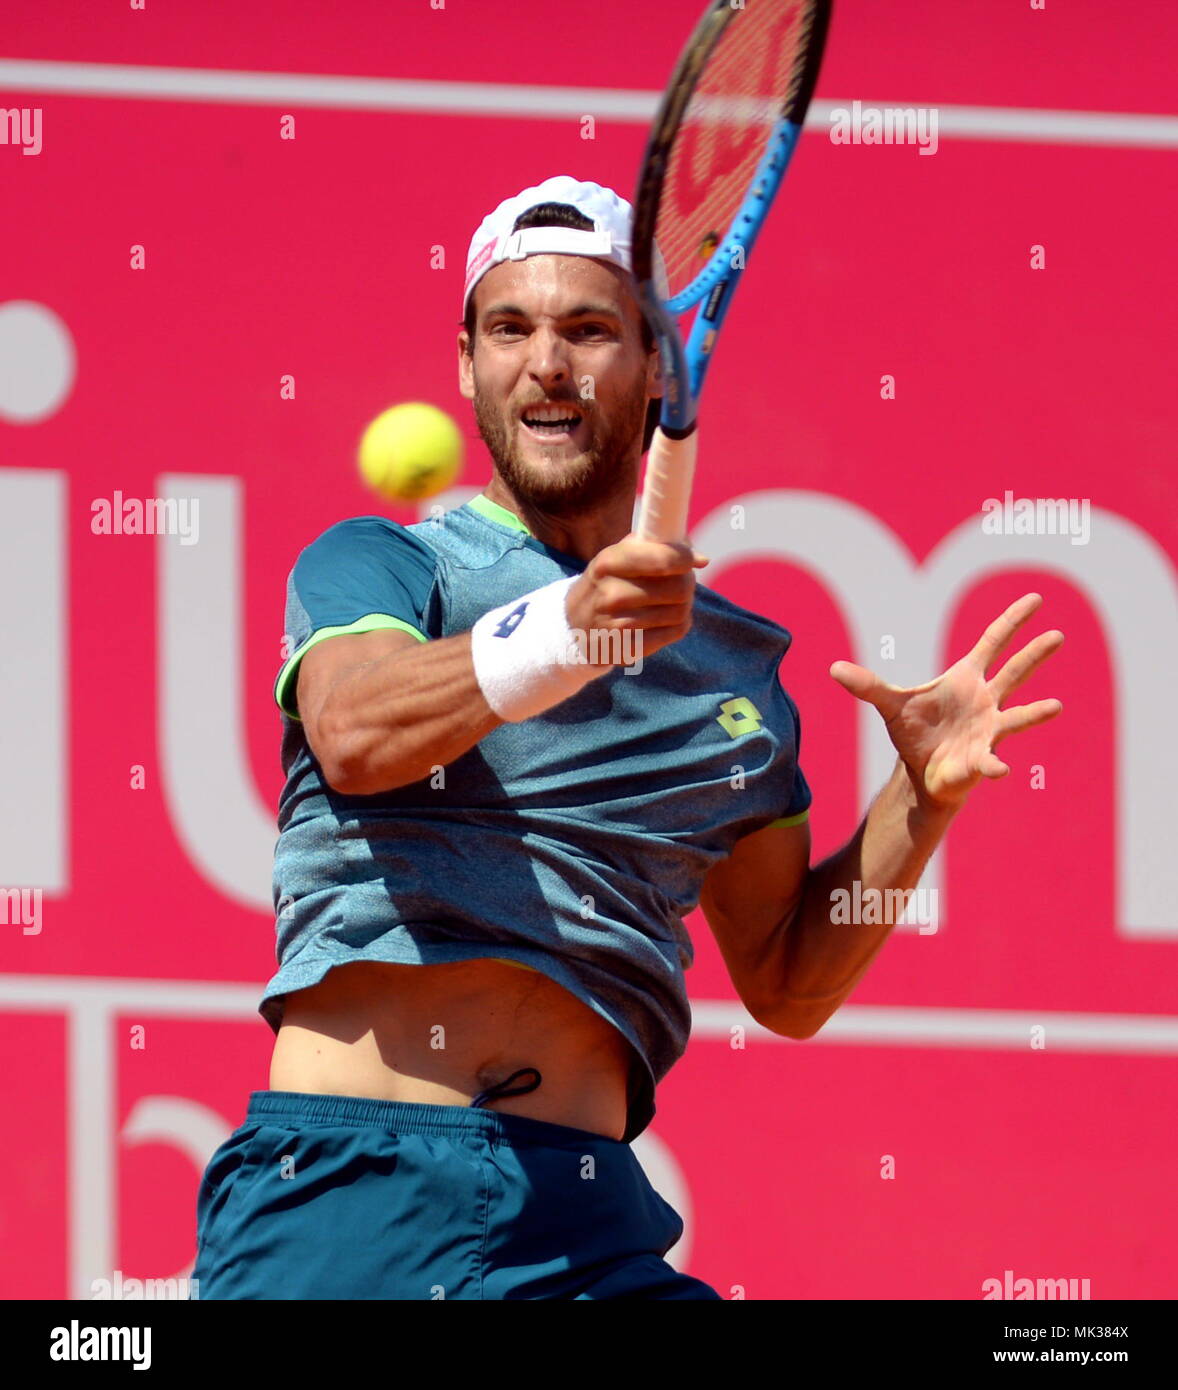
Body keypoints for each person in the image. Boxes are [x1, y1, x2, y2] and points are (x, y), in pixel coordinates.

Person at [191, 175, 1063, 1300]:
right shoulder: (387, 565)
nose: (545, 363)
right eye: (509, 328)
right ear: (466, 368)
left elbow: (788, 984)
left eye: (587, 329)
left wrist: (918, 799)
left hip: (584, 1225)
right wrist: (569, 627)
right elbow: (354, 734)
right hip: (353, 1187)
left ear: (659, 365)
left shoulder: (733, 672)